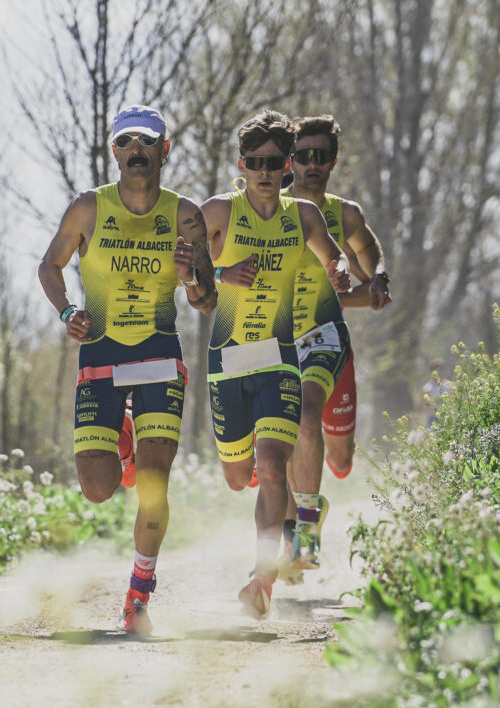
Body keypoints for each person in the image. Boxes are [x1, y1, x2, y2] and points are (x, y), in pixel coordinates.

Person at [38, 104, 216, 635]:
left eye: (147, 141)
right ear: (113, 151)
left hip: (159, 354)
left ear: (165, 150)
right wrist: (68, 311)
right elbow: (49, 265)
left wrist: (191, 281)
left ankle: (139, 593)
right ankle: (123, 439)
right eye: (125, 142)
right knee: (96, 487)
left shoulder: (185, 215)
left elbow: (207, 301)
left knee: (155, 483)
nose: (135, 149)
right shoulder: (89, 208)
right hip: (101, 352)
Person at [199, 109, 350, 619]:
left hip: (280, 360)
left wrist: (342, 272)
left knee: (271, 464)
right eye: (254, 162)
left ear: (285, 167)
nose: (264, 172)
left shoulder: (303, 216)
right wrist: (221, 274)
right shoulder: (218, 211)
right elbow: (185, 268)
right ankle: (277, 539)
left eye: (273, 163)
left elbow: (334, 256)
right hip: (229, 360)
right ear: (241, 165)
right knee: (239, 477)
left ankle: (263, 577)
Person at [277, 114, 392, 584]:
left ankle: (312, 507)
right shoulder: (269, 208)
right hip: (280, 341)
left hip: (327, 341)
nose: (312, 164)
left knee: (341, 463)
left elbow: (372, 265)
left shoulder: (344, 214)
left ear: (333, 162)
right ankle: (297, 542)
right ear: (290, 161)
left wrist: (377, 277)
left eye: (321, 156)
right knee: (289, 431)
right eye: (303, 156)